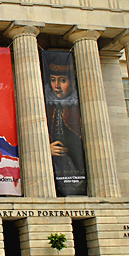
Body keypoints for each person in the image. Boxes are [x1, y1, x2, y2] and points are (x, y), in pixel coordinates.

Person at [44, 59, 87, 196]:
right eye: (53, 80)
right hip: (50, 171)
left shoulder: (78, 109)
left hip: (76, 169)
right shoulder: (45, 107)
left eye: (62, 80)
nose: (57, 86)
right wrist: (44, 150)